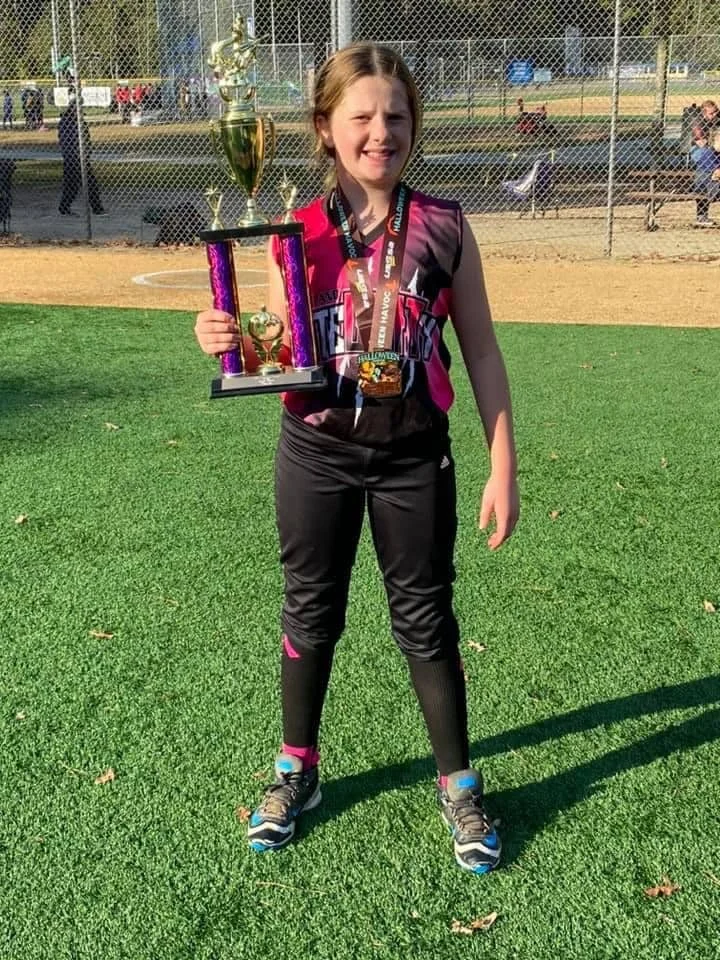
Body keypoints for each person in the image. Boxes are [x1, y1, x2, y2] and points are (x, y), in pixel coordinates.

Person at [193, 43, 519, 875]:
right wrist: (226, 338)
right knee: (310, 610)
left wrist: (503, 464)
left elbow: (481, 351)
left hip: (413, 455)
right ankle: (295, 770)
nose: (381, 132)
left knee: (426, 618)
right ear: (326, 129)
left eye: (396, 116)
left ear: (415, 126)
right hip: (317, 450)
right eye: (362, 117)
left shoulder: (445, 225)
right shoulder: (295, 233)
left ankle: (458, 784)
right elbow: (275, 350)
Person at [58, 97, 105, 216]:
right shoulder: (67, 122)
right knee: (86, 184)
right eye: (77, 107)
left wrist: (87, 152)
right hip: (74, 158)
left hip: (80, 157)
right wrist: (78, 154)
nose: (80, 110)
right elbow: (70, 141)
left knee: (76, 184)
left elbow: (86, 139)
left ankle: (64, 207)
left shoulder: (79, 121)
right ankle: (97, 209)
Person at [690, 99, 720, 227]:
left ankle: (716, 173)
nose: (714, 115)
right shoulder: (698, 122)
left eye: (715, 112)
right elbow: (702, 144)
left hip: (714, 155)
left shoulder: (717, 120)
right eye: (711, 113)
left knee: (703, 173)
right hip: (700, 152)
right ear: (704, 113)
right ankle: (716, 171)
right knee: (705, 158)